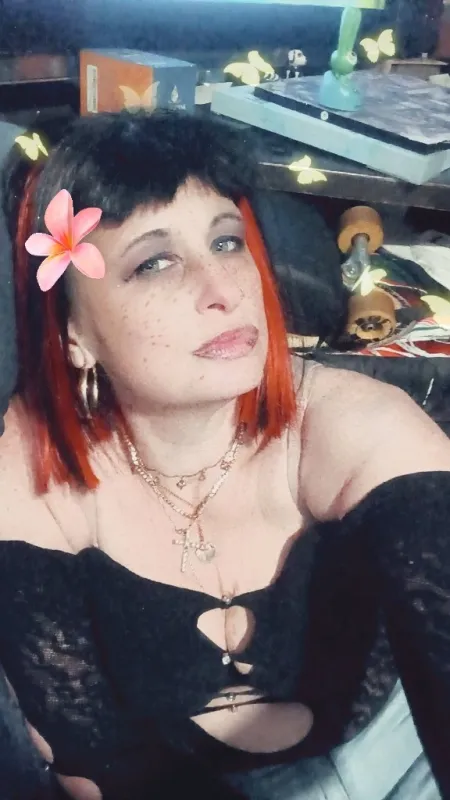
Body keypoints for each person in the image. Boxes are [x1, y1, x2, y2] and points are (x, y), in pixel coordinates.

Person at [0, 108, 449, 800]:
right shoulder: (31, 468)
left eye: (227, 241)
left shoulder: (357, 425)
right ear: (73, 335)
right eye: (154, 262)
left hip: (388, 752)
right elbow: (101, 767)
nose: (224, 291)